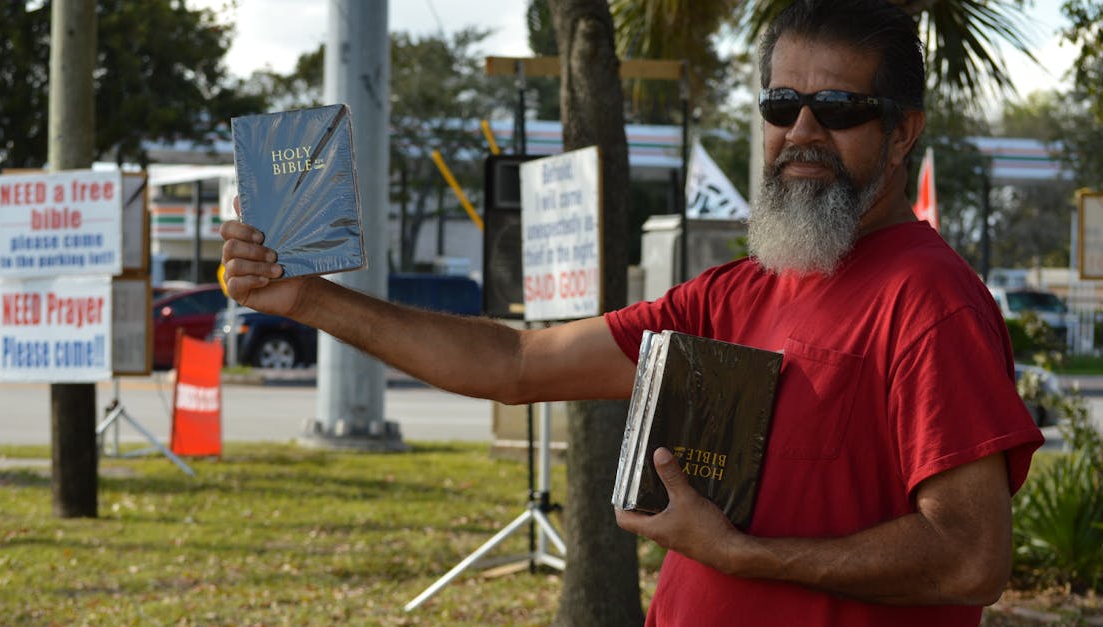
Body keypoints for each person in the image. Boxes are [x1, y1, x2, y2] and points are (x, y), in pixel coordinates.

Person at [220, 0, 1045, 624]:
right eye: (780, 104)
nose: (801, 131)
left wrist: (744, 555)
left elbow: (970, 556)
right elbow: (513, 363)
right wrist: (308, 299)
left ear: (903, 134)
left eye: (837, 109)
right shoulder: (738, 292)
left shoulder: (929, 300)